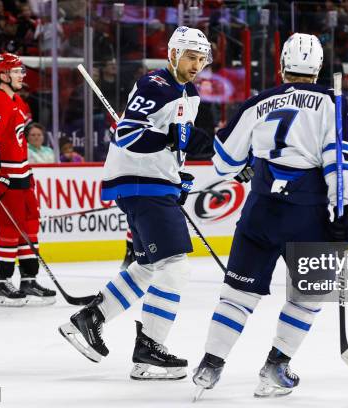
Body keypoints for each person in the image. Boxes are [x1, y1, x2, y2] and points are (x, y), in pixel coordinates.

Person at [192, 33, 348, 398]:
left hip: (260, 211)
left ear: (282, 64)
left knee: (237, 292)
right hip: (307, 213)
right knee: (308, 295)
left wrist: (250, 162)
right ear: (318, 67)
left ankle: (210, 364)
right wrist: (347, 213)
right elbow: (340, 162)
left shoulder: (260, 102)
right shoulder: (333, 102)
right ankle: (275, 368)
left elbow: (223, 162)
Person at [59, 26, 212, 381]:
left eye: (202, 59)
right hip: (142, 184)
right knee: (175, 266)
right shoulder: (153, 85)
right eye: (191, 56)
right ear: (173, 54)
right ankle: (149, 350)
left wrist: (179, 175)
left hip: (154, 184)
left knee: (146, 267)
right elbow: (126, 134)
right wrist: (166, 138)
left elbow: (176, 145)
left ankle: (89, 320)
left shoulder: (190, 94)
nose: (196, 65)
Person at [0, 52, 56, 307]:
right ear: (3, 75)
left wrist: (26, 173)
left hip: (22, 174)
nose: (22, 75)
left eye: (21, 71)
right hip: (5, 177)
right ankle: (3, 283)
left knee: (30, 227)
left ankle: (28, 279)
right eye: (17, 71)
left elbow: (16, 141)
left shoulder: (18, 101)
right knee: (9, 230)